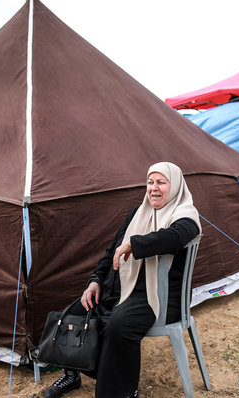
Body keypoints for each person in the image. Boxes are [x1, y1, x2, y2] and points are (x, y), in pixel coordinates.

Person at [44, 162, 201, 398]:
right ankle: (72, 374)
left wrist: (134, 244)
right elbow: (111, 253)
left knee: (119, 325)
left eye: (161, 182)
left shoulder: (186, 215)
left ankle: (124, 391)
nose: (153, 188)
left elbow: (175, 237)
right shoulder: (136, 214)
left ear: (176, 185)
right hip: (122, 289)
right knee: (78, 311)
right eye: (150, 182)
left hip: (159, 297)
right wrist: (95, 280)